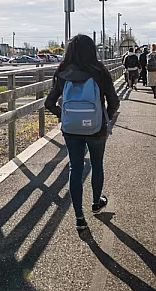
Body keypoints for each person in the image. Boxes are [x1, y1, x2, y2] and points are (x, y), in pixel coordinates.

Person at [44, 34, 120, 232]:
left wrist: (64, 116)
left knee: (75, 169)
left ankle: (79, 218)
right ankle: (96, 202)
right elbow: (114, 102)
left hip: (71, 130)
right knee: (97, 164)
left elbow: (49, 103)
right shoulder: (99, 71)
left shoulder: (63, 72)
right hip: (97, 129)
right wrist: (105, 118)